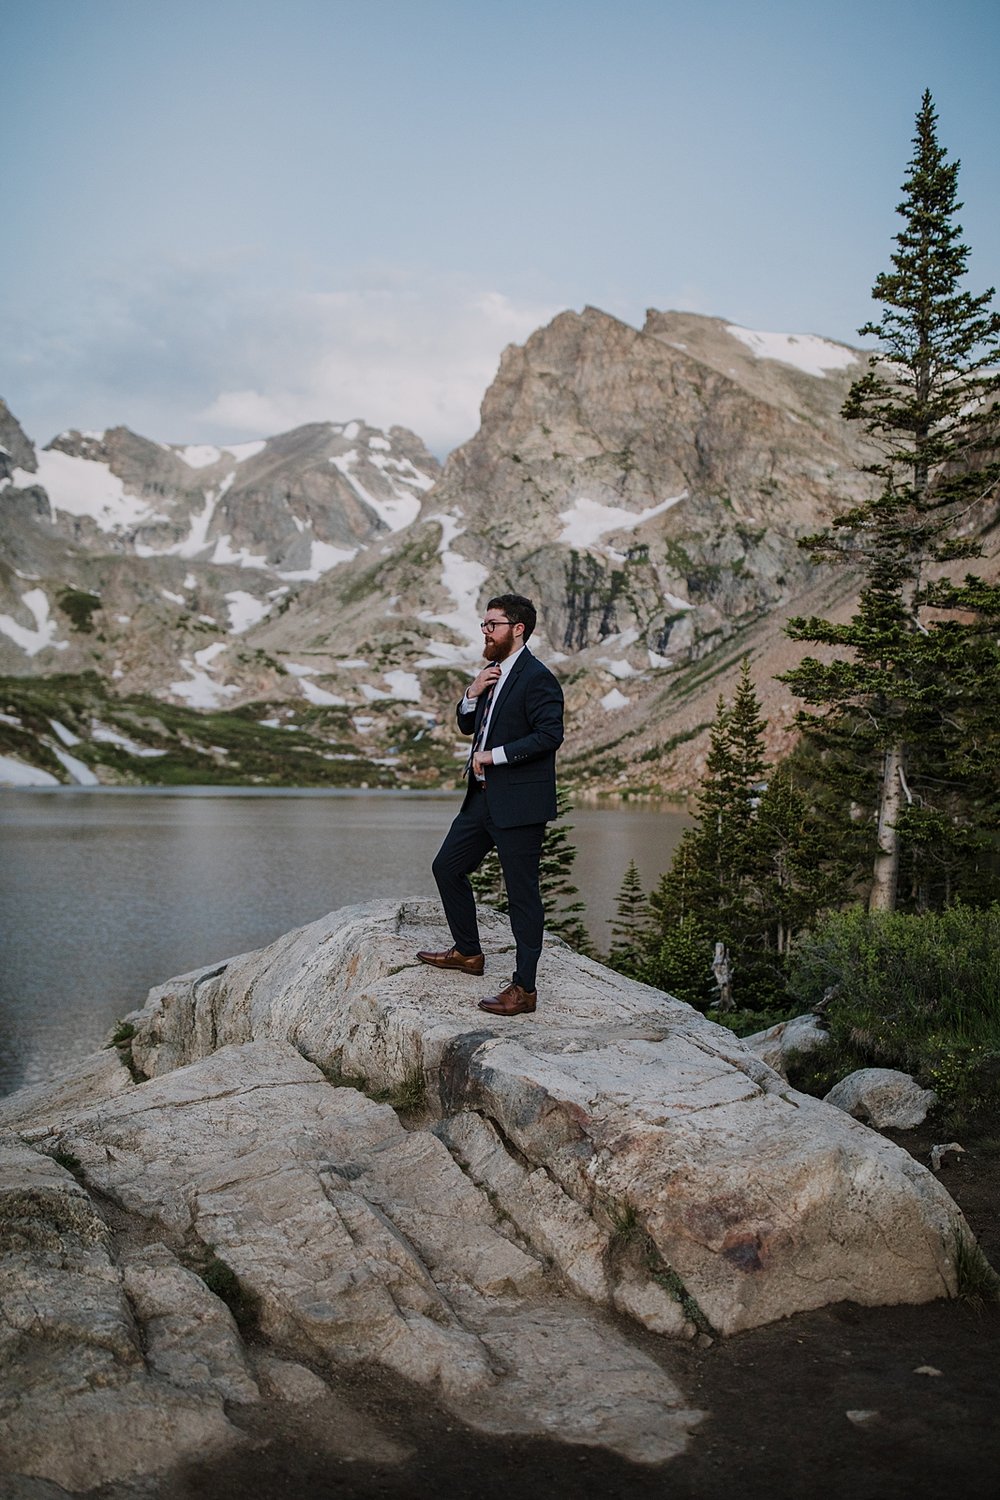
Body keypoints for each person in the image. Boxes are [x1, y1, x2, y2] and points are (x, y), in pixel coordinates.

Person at [416, 593, 565, 1016]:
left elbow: (549, 735)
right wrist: (470, 692)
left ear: (517, 629)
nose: (485, 631)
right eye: (483, 624)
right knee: (446, 867)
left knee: (522, 895)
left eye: (492, 624)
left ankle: (525, 989)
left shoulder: (538, 678)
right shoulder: (492, 673)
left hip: (519, 804)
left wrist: (493, 756)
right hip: (481, 799)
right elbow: (468, 725)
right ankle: (468, 952)